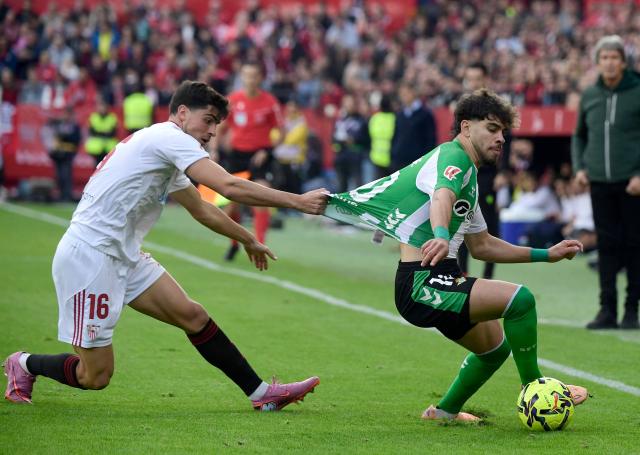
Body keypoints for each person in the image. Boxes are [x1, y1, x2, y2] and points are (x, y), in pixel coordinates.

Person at [3, 81, 327, 411]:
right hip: (91, 257)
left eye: (217, 124)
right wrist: (298, 201)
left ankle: (262, 395)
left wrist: (248, 239)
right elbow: (228, 186)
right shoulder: (169, 138)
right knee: (95, 376)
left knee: (193, 315)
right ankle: (23, 364)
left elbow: (202, 208)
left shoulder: (164, 147)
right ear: (183, 113)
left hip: (123, 255)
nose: (213, 131)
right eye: (209, 119)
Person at [324, 89, 588, 421]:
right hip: (422, 282)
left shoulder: (470, 178)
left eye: (504, 132)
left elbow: (483, 246)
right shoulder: (454, 157)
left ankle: (445, 413)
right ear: (466, 127)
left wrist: (545, 254)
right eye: (492, 129)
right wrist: (439, 235)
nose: (501, 139)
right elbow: (441, 197)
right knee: (521, 301)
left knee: (494, 350)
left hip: (439, 277)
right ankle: (536, 391)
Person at [572, 35, 640, 330]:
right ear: (598, 63)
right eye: (604, 58)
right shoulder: (590, 95)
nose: (609, 62)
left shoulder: (637, 91)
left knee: (635, 246)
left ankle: (631, 311)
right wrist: (580, 168)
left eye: (615, 57)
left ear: (623, 62)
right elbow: (579, 135)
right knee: (607, 247)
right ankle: (607, 310)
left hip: (632, 183)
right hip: (598, 181)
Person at [216, 62, 283, 261]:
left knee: (261, 198)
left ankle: (260, 244)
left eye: (254, 76)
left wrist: (268, 150)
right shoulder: (233, 101)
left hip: (260, 157)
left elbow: (281, 131)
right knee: (231, 207)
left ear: (260, 78)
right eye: (247, 76)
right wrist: (215, 150)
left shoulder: (269, 102)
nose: (251, 80)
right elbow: (222, 128)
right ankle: (235, 244)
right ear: (242, 78)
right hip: (237, 157)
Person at [456, 63, 500, 279]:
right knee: (461, 222)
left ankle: (488, 277)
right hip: (466, 173)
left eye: (477, 78)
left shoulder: (496, 109)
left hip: (488, 176)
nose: (473, 83)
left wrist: (505, 173)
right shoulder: (462, 109)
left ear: (485, 81)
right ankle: (462, 274)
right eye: (469, 78)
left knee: (489, 227)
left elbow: (505, 141)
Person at [389, 82, 436, 172]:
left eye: (406, 93)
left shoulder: (425, 114)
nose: (403, 97)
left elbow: (430, 139)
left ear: (414, 93)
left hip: (417, 163)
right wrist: (393, 154)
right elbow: (395, 136)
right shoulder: (400, 114)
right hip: (399, 161)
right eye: (401, 94)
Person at [46, 106, 81, 202]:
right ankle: (61, 195)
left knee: (66, 176)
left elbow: (76, 140)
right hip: (58, 154)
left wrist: (65, 137)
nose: (66, 117)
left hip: (68, 154)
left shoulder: (74, 126)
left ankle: (67, 195)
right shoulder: (58, 124)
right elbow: (51, 131)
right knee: (59, 176)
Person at [85, 97, 119, 166]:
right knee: (97, 167)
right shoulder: (93, 117)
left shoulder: (112, 117)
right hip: (96, 148)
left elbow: (113, 132)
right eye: (100, 107)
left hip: (108, 148)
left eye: (103, 107)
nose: (102, 109)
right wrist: (105, 132)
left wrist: (100, 132)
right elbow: (92, 131)